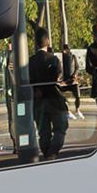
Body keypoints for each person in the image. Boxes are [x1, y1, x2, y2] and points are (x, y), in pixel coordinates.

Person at [28, 27, 68, 159]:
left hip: (39, 101)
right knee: (60, 128)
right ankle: (53, 151)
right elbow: (58, 77)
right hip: (54, 98)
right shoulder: (54, 59)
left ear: (36, 42)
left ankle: (47, 153)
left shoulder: (31, 61)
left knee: (43, 132)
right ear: (48, 41)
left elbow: (29, 80)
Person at [60, 43, 84, 120]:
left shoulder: (73, 57)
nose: (64, 51)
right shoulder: (61, 58)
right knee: (60, 96)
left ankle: (77, 110)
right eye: (63, 49)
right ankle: (67, 111)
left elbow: (77, 67)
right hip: (64, 81)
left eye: (66, 49)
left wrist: (75, 74)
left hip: (72, 81)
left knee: (78, 96)